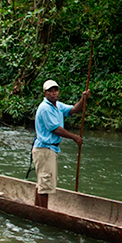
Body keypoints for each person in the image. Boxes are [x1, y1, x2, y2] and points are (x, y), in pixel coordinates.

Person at [32, 79, 90, 208]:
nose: (54, 94)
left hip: (50, 150)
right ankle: (42, 212)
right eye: (50, 91)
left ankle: (38, 209)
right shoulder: (45, 108)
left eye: (56, 90)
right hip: (44, 150)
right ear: (45, 93)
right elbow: (56, 129)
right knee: (45, 184)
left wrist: (83, 99)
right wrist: (75, 137)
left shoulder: (57, 105)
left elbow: (74, 109)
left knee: (43, 183)